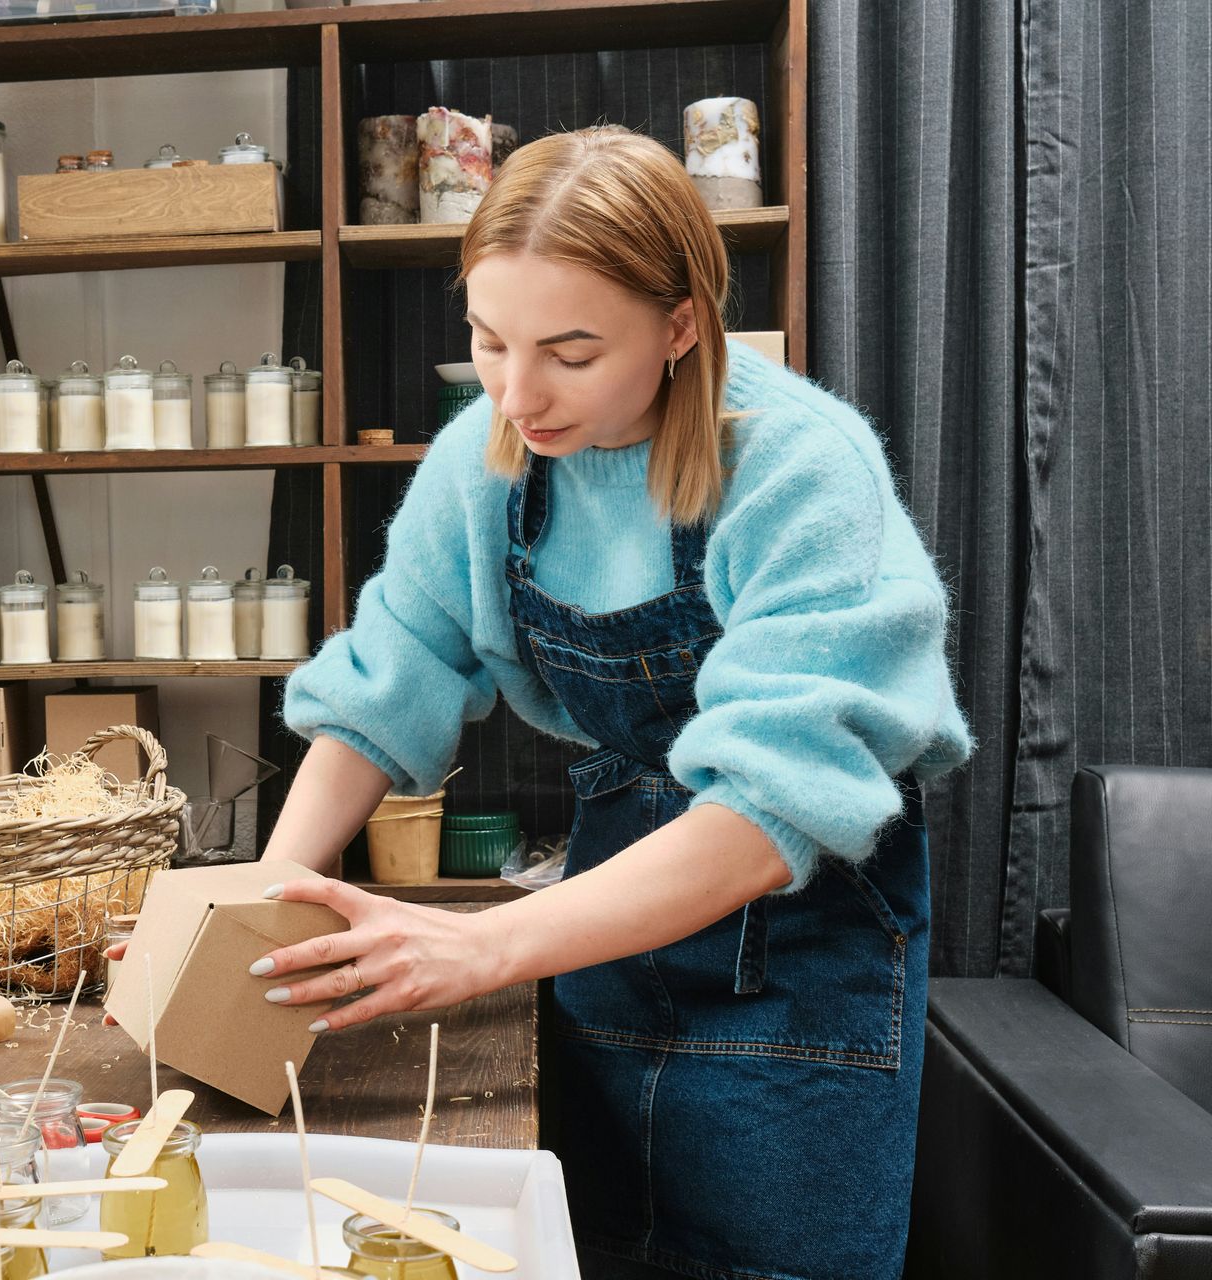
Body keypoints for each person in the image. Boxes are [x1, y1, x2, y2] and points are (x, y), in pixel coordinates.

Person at [243, 126, 971, 1279]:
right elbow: (394, 672)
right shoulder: (486, 461)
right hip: (602, 929)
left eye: (571, 353)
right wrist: (262, 905)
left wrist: (484, 947)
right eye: (488, 340)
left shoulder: (801, 470)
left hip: (800, 950)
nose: (518, 394)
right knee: (594, 1251)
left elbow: (761, 815)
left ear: (682, 323)